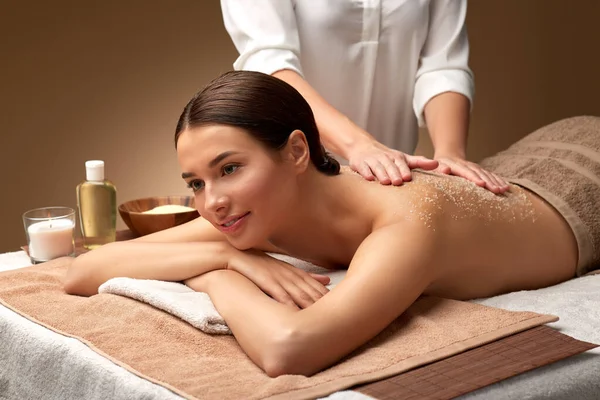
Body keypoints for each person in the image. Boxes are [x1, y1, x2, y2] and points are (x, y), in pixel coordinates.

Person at [64, 71, 599, 379]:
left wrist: (220, 272)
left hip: (583, 180)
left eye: (229, 168)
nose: (213, 202)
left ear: (297, 150)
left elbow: (289, 350)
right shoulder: (257, 215)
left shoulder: (406, 221)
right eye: (197, 182)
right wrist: (226, 261)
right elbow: (86, 271)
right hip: (521, 164)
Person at [220, 0, 510, 193]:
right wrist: (359, 146)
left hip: (393, 180)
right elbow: (269, 64)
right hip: (293, 177)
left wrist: (450, 156)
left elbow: (444, 64)